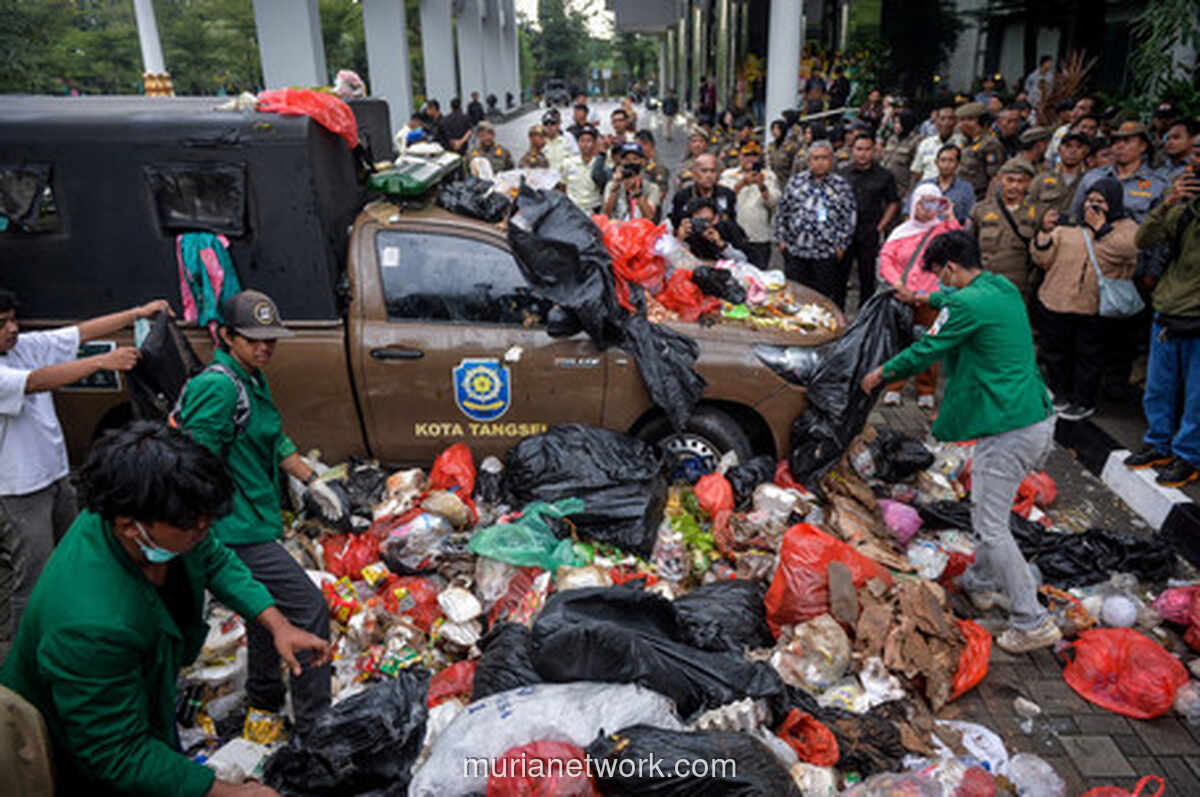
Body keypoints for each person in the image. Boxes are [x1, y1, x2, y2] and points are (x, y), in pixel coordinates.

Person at [0, 421, 329, 796]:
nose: (204, 531)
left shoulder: (153, 513)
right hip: (68, 748)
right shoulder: (90, 624)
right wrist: (227, 792)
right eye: (194, 526)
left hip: (135, 704)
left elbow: (216, 560)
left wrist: (277, 624)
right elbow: (115, 752)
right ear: (130, 527)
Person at [863, 230, 1060, 653]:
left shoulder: (965, 304)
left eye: (940, 277)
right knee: (990, 510)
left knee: (989, 525)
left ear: (950, 268)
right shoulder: (999, 286)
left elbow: (927, 349)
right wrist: (919, 297)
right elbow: (948, 304)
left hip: (1011, 428)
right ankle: (983, 582)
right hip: (1030, 416)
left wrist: (881, 374)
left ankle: (1032, 620)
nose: (941, 286)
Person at [176, 290, 340, 738]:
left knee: (262, 613)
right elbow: (193, 463)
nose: (265, 347)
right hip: (232, 530)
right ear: (226, 336)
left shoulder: (251, 377)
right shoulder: (218, 385)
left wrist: (314, 480)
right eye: (253, 339)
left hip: (255, 521)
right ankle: (315, 722)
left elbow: (273, 437)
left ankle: (264, 702)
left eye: (271, 339)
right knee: (307, 608)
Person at [0, 292, 167, 640]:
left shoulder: (21, 347)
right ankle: (25, 656)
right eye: (2, 324)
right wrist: (101, 363)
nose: (12, 329)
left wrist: (136, 311)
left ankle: (72, 632)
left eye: (13, 319)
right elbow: (35, 381)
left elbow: (77, 334)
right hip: (18, 489)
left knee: (74, 559)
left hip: (55, 477)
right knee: (34, 575)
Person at [1031, 178, 1140, 421]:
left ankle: (1083, 401)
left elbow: (1125, 251)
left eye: (1100, 202)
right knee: (1056, 352)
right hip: (1057, 300)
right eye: (1089, 201)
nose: (1092, 206)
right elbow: (1043, 259)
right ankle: (1060, 394)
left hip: (1093, 306)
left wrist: (1100, 228)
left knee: (1087, 357)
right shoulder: (1069, 225)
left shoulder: (1126, 228)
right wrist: (1044, 235)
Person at [1126, 163, 1200, 487]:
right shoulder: (1183, 211)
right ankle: (1158, 443)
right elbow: (1144, 239)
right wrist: (1169, 202)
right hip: (1169, 311)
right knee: (1159, 387)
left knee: (1197, 396)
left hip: (1196, 318)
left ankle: (1188, 456)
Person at [879, 184, 961, 409]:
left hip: (931, 298)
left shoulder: (942, 230)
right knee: (900, 342)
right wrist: (897, 283)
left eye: (933, 202)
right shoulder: (901, 231)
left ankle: (926, 388)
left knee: (929, 343)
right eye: (923, 201)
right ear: (913, 202)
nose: (927, 208)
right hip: (902, 296)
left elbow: (959, 246)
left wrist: (950, 217)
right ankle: (895, 386)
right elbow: (886, 258)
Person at [775, 140, 858, 309]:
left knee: (823, 298)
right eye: (815, 158)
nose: (820, 162)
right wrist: (782, 240)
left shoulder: (841, 186)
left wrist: (841, 246)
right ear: (809, 160)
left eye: (824, 158)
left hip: (825, 254)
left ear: (831, 160)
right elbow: (782, 212)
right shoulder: (796, 182)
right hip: (796, 251)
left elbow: (849, 218)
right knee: (796, 297)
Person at [839, 132, 900, 305]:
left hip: (869, 232)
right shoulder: (843, 174)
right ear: (852, 150)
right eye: (859, 149)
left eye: (867, 149)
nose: (863, 153)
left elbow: (893, 202)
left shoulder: (884, 175)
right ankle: (838, 312)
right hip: (845, 232)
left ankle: (866, 316)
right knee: (840, 275)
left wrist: (881, 226)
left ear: (874, 150)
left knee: (867, 277)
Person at [970, 158, 1039, 300]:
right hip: (984, 285)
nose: (1014, 186)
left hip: (1017, 288)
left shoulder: (1036, 214)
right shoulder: (981, 210)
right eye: (1010, 180)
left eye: (1020, 181)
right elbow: (969, 247)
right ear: (1000, 180)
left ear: (1028, 184)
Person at [719, 141, 779, 268]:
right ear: (740, 156)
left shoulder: (769, 176)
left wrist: (762, 186)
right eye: (746, 155)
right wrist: (742, 183)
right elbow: (722, 200)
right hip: (734, 237)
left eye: (754, 155)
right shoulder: (728, 174)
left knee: (759, 277)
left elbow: (773, 203)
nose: (750, 158)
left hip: (759, 237)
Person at [1028, 131, 1090, 219]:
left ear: (1086, 151)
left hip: (1078, 229)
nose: (1072, 151)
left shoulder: (1090, 180)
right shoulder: (1041, 179)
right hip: (1047, 230)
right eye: (1068, 146)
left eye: (1079, 147)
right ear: (1059, 150)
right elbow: (1028, 207)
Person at [669, 152, 738, 228]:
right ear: (694, 173)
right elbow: (673, 226)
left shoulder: (727, 195)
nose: (709, 175)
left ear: (717, 174)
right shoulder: (682, 196)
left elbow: (733, 224)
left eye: (712, 171)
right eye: (704, 171)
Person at [911, 144, 975, 225]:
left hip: (951, 234)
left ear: (958, 165)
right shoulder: (923, 186)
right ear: (936, 163)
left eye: (951, 160)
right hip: (923, 233)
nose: (946, 164)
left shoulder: (966, 189)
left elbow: (968, 220)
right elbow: (909, 213)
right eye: (943, 160)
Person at [675, 196, 750, 262]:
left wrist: (721, 245)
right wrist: (680, 240)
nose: (703, 224)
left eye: (708, 220)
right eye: (699, 221)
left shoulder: (727, 228)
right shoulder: (688, 231)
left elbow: (743, 260)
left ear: (716, 219)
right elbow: (675, 261)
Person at [601, 141, 661, 222]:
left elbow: (650, 217)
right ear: (621, 161)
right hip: (617, 230)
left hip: (641, 231)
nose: (631, 163)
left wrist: (637, 192)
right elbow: (605, 216)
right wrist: (614, 189)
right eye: (627, 160)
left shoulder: (652, 188)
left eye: (635, 159)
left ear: (642, 161)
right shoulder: (611, 185)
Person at [957, 102, 1006, 199]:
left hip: (979, 196)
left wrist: (987, 203)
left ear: (976, 121)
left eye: (964, 120)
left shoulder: (990, 144)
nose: (959, 125)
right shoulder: (967, 142)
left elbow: (995, 177)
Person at [911, 104, 964, 183]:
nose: (947, 122)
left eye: (951, 119)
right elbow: (917, 171)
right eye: (942, 119)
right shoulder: (926, 143)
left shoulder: (962, 142)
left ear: (956, 122)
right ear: (936, 122)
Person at [562, 124, 607, 213]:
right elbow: (562, 186)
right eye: (582, 141)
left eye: (589, 141)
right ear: (578, 143)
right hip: (574, 209)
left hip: (594, 208)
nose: (585, 144)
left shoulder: (600, 163)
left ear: (594, 143)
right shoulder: (568, 163)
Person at [880, 108, 923, 201]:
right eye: (894, 123)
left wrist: (910, 193)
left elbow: (916, 171)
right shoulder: (892, 139)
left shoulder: (916, 141)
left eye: (898, 123)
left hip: (902, 190)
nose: (895, 126)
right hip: (885, 187)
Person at [635, 129, 670, 209]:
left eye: (638, 146)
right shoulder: (642, 161)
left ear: (648, 144)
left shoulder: (658, 166)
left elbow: (661, 193)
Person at [1158, 119, 1198, 185]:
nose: (1169, 143)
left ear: (1193, 139)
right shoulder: (1161, 165)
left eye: (1176, 137)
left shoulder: (1196, 167)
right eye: (1168, 138)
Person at [675, 127, 712, 192]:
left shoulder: (715, 163)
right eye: (694, 141)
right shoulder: (683, 165)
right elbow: (677, 186)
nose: (697, 145)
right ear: (689, 145)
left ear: (706, 144)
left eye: (701, 141)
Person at [767, 119, 799, 188]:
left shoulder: (791, 146)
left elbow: (795, 166)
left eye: (777, 129)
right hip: (773, 182)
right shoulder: (770, 146)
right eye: (772, 128)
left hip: (787, 182)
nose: (774, 131)